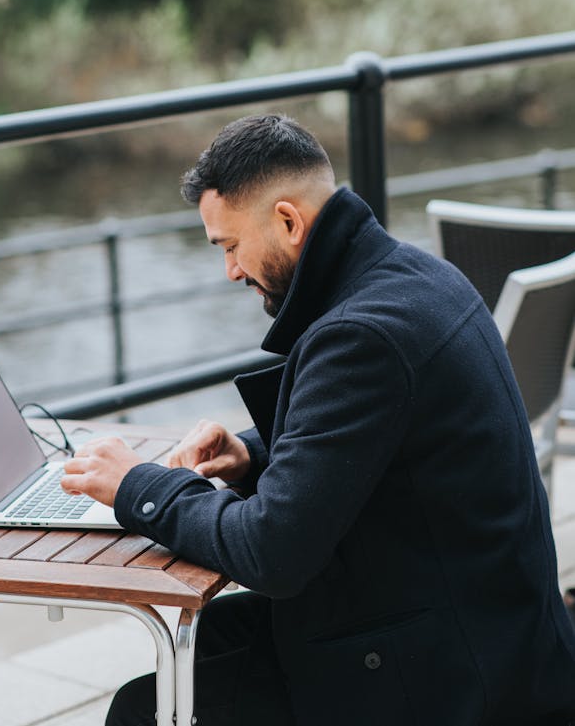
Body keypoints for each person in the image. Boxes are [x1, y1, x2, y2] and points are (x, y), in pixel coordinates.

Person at [62, 113, 575, 726]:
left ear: (287, 220)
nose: (228, 270)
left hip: (449, 678)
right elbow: (376, 444)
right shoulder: (418, 276)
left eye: (229, 245)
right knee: (188, 656)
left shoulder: (361, 336)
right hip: (478, 626)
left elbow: (271, 552)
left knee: (144, 710)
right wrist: (251, 454)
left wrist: (137, 488)